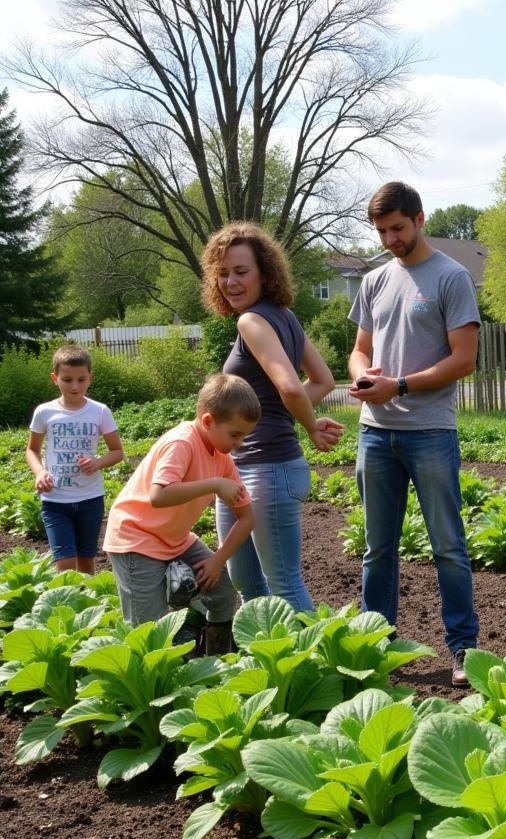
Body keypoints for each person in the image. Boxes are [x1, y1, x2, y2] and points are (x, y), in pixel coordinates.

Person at [348, 182, 480, 686]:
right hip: (375, 434)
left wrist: (398, 385)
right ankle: (376, 646)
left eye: (397, 228)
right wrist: (365, 375)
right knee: (377, 549)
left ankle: (463, 649)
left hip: (429, 431)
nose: (389, 239)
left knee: (448, 545)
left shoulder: (452, 276)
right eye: (381, 231)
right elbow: (359, 349)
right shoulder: (376, 280)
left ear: (420, 219)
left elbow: (463, 360)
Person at [201, 222, 343, 613]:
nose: (230, 281)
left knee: (282, 582)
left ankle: (317, 668)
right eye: (223, 272)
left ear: (265, 272)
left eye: (241, 271)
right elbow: (324, 380)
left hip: (270, 468)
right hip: (241, 469)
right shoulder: (284, 316)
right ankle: (272, 664)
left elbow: (294, 388)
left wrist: (310, 426)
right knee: (245, 580)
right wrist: (286, 413)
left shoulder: (252, 322)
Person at [103, 374, 259, 654]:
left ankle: (218, 660)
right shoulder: (182, 442)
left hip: (175, 539)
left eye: (244, 436)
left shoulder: (222, 457)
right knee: (147, 629)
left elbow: (247, 518)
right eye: (235, 434)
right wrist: (214, 484)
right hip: (136, 537)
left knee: (222, 591)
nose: (240, 443)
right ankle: (150, 688)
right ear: (208, 421)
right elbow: (159, 495)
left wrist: (216, 560)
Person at [26, 345, 124, 573]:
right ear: (55, 378)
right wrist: (40, 473)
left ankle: (87, 604)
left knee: (87, 561)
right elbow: (31, 450)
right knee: (65, 564)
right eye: (67, 379)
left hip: (90, 499)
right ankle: (65, 602)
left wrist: (98, 462)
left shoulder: (100, 411)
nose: (75, 386)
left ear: (90, 378)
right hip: (54, 501)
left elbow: (117, 452)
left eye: (81, 379)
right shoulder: (45, 412)